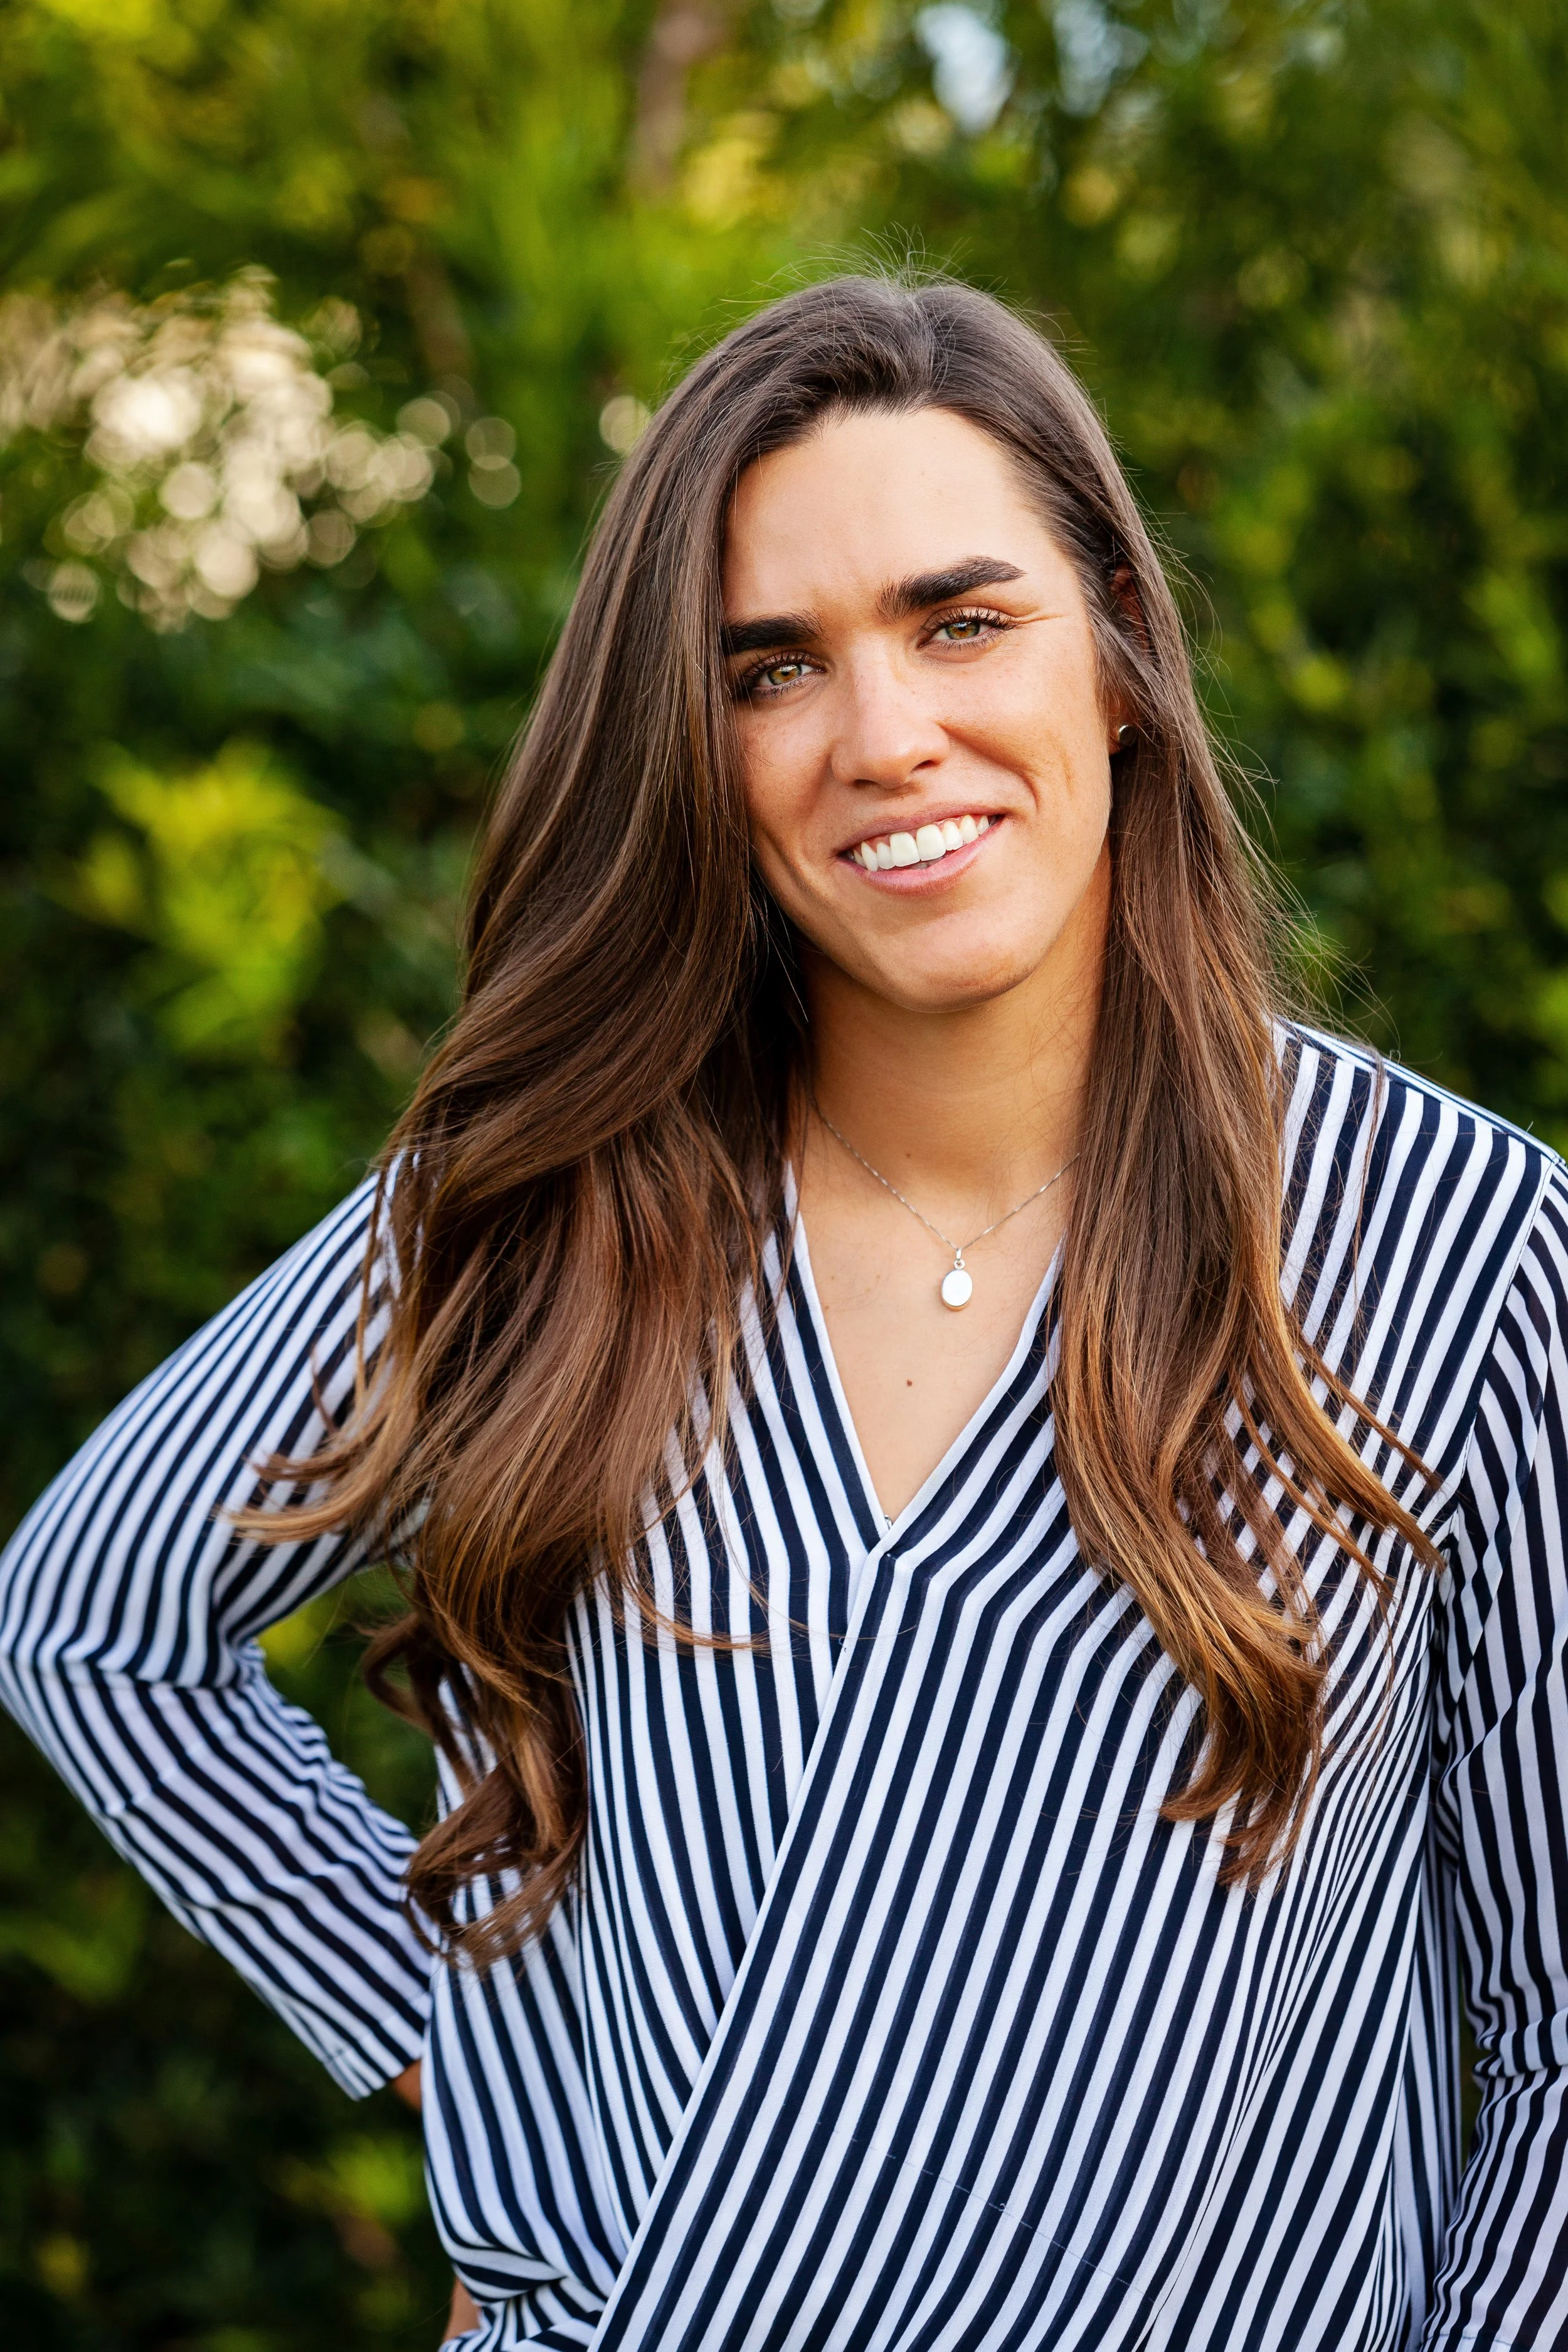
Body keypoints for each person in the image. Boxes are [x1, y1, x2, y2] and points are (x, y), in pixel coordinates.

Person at [1, 272, 1564, 2352]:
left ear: (1112, 649)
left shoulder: (1458, 1243)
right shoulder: (557, 1200)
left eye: (959, 618)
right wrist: (479, 2087)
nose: (881, 733)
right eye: (768, 669)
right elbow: (92, 1617)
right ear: (698, 745)